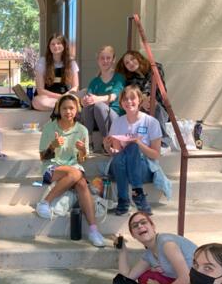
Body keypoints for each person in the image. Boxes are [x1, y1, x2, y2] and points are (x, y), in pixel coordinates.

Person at [35, 93, 106, 247]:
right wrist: (52, 146)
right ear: (58, 110)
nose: (68, 111)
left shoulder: (82, 130)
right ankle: (44, 203)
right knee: (76, 173)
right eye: (64, 108)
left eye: (71, 108)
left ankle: (93, 230)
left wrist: (82, 151)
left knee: (81, 183)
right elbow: (42, 157)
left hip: (74, 167)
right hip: (52, 167)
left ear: (77, 110)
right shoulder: (49, 127)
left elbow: (82, 159)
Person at [118, 212, 195, 284]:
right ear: (133, 235)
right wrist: (122, 250)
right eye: (135, 226)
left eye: (143, 222)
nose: (140, 226)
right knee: (145, 277)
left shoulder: (166, 244)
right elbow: (127, 278)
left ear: (153, 226)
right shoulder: (149, 254)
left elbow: (186, 280)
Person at [105, 85, 167, 216]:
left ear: (140, 100)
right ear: (121, 103)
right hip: (121, 166)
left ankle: (132, 195)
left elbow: (156, 155)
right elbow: (116, 153)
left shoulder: (151, 122)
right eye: (125, 99)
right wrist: (107, 147)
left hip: (143, 168)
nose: (128, 102)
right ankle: (128, 199)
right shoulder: (117, 122)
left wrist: (138, 143)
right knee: (120, 157)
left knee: (133, 147)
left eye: (132, 98)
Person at [117, 49, 170, 147]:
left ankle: (162, 142)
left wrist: (144, 98)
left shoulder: (156, 67)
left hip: (160, 112)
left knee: (153, 102)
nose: (130, 63)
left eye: (132, 59)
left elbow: (150, 84)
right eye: (127, 63)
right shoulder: (131, 80)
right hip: (143, 109)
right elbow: (133, 95)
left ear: (139, 58)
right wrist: (142, 102)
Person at [79, 45, 125, 152]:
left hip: (115, 117)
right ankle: (89, 142)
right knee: (88, 105)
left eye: (108, 58)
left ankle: (107, 142)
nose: (105, 61)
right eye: (102, 58)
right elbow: (89, 98)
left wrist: (97, 99)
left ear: (113, 60)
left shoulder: (119, 78)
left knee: (99, 105)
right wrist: (84, 101)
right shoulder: (95, 81)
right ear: (98, 61)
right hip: (97, 117)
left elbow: (113, 97)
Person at [27, 33, 80, 112]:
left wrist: (66, 96)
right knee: (37, 102)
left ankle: (63, 106)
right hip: (47, 98)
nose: (55, 46)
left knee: (81, 94)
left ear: (64, 45)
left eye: (58, 43)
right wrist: (60, 97)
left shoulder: (71, 63)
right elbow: (40, 90)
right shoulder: (43, 62)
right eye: (53, 44)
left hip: (66, 97)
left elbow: (75, 87)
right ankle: (63, 107)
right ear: (49, 47)